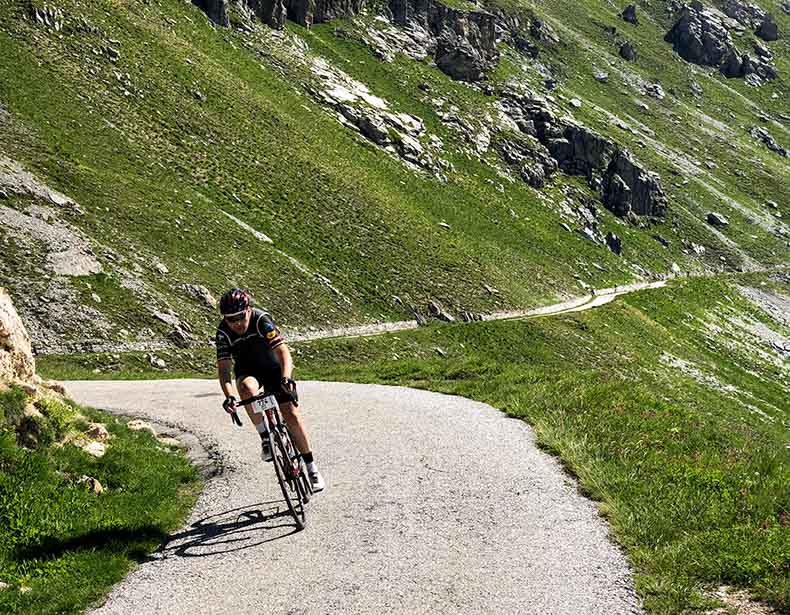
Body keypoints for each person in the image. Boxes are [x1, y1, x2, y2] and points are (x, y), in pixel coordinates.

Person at [215, 288, 325, 492]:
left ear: (248, 310)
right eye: (231, 319)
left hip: (273, 368)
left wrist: (286, 379)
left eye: (240, 316)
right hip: (249, 372)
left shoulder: (261, 320)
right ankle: (265, 436)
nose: (237, 323)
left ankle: (311, 467)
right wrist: (229, 396)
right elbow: (224, 369)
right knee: (246, 390)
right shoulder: (223, 333)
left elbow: (283, 352)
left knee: (291, 414)